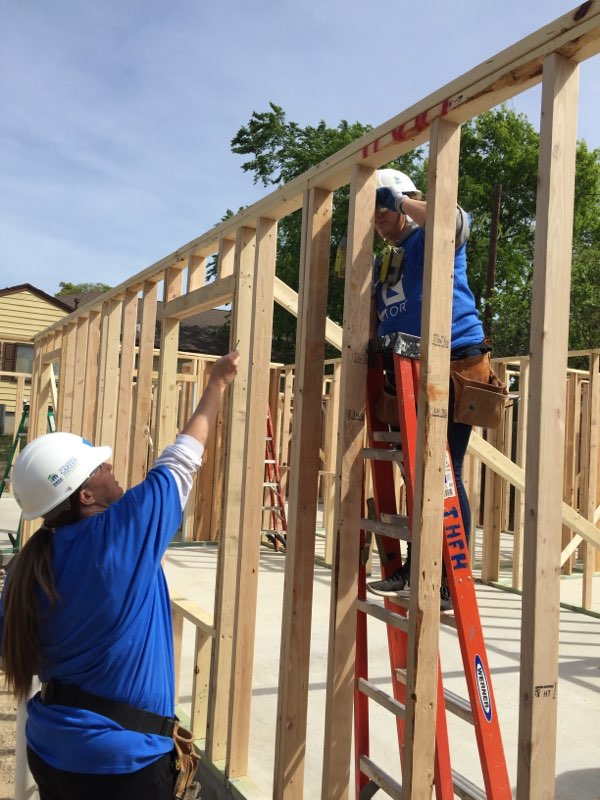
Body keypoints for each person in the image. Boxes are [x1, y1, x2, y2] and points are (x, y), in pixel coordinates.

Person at [0, 349, 239, 800]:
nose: (111, 468)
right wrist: (217, 385)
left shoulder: (26, 565)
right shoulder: (120, 535)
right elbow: (183, 459)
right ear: (85, 494)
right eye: (101, 467)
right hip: (121, 768)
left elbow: (9, 651)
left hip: (52, 752)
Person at [366, 169, 490, 608]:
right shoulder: (388, 259)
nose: (379, 216)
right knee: (419, 473)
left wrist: (398, 200)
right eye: (374, 211)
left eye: (385, 207)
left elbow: (455, 222)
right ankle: (420, 565)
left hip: (454, 363)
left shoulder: (428, 238)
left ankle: (447, 579)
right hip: (407, 372)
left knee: (444, 473)